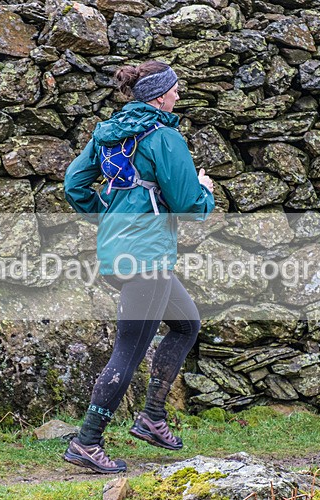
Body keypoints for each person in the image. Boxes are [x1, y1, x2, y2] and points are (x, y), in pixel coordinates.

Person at [62, 60, 215, 473]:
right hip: (148, 256)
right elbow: (186, 204)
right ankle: (87, 441)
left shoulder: (108, 133)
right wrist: (206, 192)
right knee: (128, 352)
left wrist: (108, 214)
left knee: (186, 324)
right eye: (176, 89)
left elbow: (74, 185)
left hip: (118, 254)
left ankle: (151, 417)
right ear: (160, 95)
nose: (179, 95)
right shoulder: (164, 137)